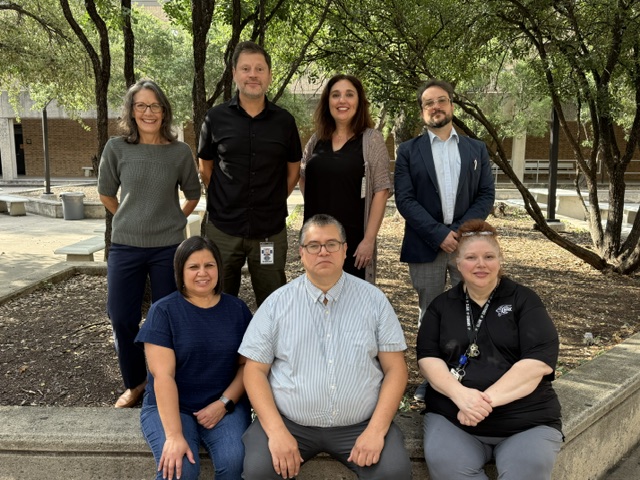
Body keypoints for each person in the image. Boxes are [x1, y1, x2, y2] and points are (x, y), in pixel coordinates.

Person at [239, 214, 412, 480]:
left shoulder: (374, 301)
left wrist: (376, 431)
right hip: (290, 424)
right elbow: (254, 371)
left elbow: (396, 370)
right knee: (259, 471)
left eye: (332, 244)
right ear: (301, 253)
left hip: (361, 425)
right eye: (314, 245)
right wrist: (276, 432)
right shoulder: (276, 305)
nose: (323, 251)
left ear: (344, 250)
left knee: (393, 473)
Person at [417, 219, 563, 480]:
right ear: (458, 263)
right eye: (471, 257)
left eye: (489, 256)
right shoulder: (441, 306)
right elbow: (428, 359)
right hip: (453, 419)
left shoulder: (524, 300)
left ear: (500, 261)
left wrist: (480, 403)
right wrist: (460, 396)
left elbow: (537, 362)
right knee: (449, 467)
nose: (481, 264)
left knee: (527, 471)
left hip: (525, 421)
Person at [98, 79, 201, 408]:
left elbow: (194, 194)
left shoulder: (179, 152)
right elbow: (105, 193)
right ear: (131, 111)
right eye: (140, 105)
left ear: (164, 111)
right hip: (126, 246)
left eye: (154, 105)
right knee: (121, 316)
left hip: (167, 249)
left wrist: (174, 219)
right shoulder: (117, 149)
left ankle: (164, 383)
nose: (148, 112)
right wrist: (129, 218)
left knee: (166, 318)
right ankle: (136, 383)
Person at [394, 79, 495, 401]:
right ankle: (434, 381)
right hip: (426, 246)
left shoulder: (475, 149)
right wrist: (439, 234)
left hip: (467, 248)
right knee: (430, 314)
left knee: (469, 310)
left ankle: (465, 375)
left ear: (451, 105)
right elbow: (405, 200)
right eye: (428, 103)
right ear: (422, 111)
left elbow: (485, 195)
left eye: (441, 101)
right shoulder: (409, 151)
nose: (435, 107)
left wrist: (460, 235)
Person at [135, 236, 252, 480]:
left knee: (235, 463)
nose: (203, 273)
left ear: (219, 268)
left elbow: (247, 367)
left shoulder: (237, 310)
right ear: (180, 271)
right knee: (180, 468)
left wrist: (224, 403)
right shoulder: (164, 311)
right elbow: (162, 376)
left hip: (224, 405)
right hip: (172, 407)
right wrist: (174, 436)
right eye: (193, 267)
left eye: (209, 265)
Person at [198, 41, 302, 307]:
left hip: (270, 229)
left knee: (273, 302)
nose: (252, 74)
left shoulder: (285, 122)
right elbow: (205, 169)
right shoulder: (214, 118)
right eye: (245, 68)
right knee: (217, 299)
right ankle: (222, 349)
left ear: (268, 75)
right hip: (223, 228)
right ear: (234, 73)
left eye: (259, 68)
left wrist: (272, 200)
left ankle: (270, 351)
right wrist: (227, 200)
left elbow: (293, 173)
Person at [300, 74, 391, 283]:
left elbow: (381, 191)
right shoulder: (316, 140)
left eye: (349, 95)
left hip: (352, 243)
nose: (342, 100)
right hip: (316, 241)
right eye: (336, 95)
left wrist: (368, 240)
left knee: (352, 306)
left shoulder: (371, 140)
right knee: (317, 299)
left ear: (359, 102)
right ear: (327, 102)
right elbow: (303, 177)